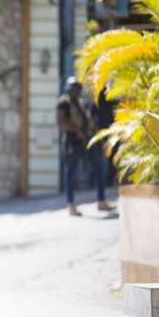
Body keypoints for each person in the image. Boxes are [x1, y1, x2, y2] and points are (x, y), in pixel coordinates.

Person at [56, 76, 114, 216]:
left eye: (77, 89)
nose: (75, 92)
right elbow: (61, 123)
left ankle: (101, 200)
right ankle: (70, 205)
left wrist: (98, 137)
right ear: (69, 90)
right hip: (71, 141)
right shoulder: (63, 104)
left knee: (99, 166)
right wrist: (77, 131)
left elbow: (89, 123)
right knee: (70, 171)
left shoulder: (82, 104)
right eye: (73, 89)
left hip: (85, 140)